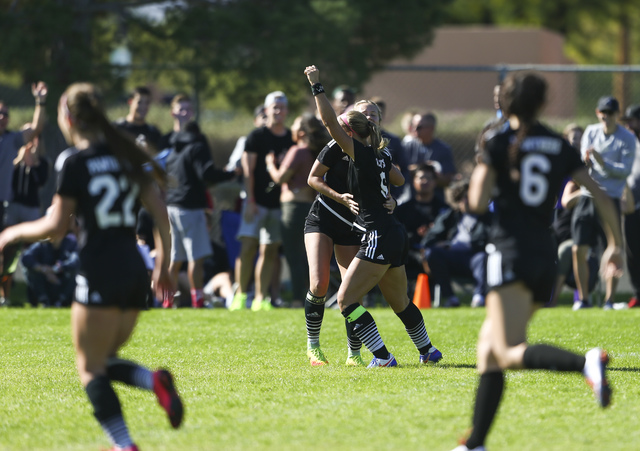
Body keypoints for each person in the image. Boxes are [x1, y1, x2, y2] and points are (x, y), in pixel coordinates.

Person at [0, 83, 183, 451]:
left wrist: (11, 233)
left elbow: (55, 228)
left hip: (99, 269)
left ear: (68, 118)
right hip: (135, 270)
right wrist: (163, 263)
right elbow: (161, 215)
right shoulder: (129, 155)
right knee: (104, 359)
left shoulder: (74, 160)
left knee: (89, 368)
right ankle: (153, 383)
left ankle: (124, 443)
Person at [453, 71, 623, 451]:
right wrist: (615, 244)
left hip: (510, 251)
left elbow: (477, 202)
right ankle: (474, 443)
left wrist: (484, 164)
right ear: (544, 104)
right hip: (544, 256)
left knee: (507, 350)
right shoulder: (560, 145)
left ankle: (587, 363)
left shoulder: (498, 142)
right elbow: (600, 195)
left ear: (507, 103)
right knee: (489, 351)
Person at [305, 64, 442, 368]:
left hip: (377, 234)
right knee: (400, 302)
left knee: (345, 301)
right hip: (394, 232)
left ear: (349, 131)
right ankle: (428, 351)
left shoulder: (362, 153)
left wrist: (316, 85)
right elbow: (398, 180)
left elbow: (328, 122)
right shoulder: (380, 154)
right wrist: (386, 198)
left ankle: (382, 357)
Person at [230, 91, 293, 311]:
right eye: (274, 107)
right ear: (266, 110)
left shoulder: (291, 138)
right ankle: (240, 296)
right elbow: (248, 172)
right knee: (248, 247)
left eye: (282, 107)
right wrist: (250, 200)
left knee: (269, 250)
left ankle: (260, 298)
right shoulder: (256, 136)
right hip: (256, 203)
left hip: (279, 205)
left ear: (286, 111)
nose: (278, 111)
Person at [163, 120, 237, 308]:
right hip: (190, 208)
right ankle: (198, 300)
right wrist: (230, 174)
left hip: (172, 208)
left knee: (176, 258)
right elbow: (206, 173)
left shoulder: (173, 152)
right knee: (196, 257)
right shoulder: (197, 148)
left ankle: (166, 299)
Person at [572, 96, 635, 310]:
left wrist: (602, 161)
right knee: (578, 249)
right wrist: (587, 161)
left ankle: (609, 300)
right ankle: (583, 299)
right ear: (597, 113)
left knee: (614, 250)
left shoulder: (627, 138)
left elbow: (624, 171)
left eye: (609, 113)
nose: (605, 117)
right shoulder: (591, 131)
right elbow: (583, 158)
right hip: (588, 197)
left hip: (610, 200)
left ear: (617, 114)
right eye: (602, 113)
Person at [266, 113, 329, 308]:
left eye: (293, 124)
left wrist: (270, 164)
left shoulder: (298, 151)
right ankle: (310, 296)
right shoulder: (318, 152)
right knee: (306, 256)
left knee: (294, 256)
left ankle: (297, 299)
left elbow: (281, 178)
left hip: (293, 208)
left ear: (301, 132)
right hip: (311, 207)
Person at [0, 83, 48, 306]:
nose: (2, 117)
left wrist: (40, 101)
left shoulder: (11, 140)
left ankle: (6, 297)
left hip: (4, 205)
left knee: (6, 254)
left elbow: (36, 127)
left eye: (5, 114)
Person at [421, 180, 490, 308]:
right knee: (433, 253)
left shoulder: (486, 217)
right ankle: (451, 298)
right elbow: (430, 238)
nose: (469, 201)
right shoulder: (451, 216)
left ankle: (479, 298)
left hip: (475, 256)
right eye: (465, 198)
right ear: (458, 200)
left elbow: (488, 239)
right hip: (453, 256)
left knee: (483, 257)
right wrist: (440, 243)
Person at [395, 163, 447, 286]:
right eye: (420, 178)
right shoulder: (403, 209)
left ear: (435, 182)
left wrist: (432, 234)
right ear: (414, 181)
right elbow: (398, 233)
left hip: (434, 252)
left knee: (434, 257)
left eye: (429, 178)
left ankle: (448, 297)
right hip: (409, 252)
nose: (424, 181)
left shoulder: (445, 210)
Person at [20, 216, 79, 307]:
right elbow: (26, 258)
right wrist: (43, 269)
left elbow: (76, 260)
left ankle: (61, 301)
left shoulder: (71, 242)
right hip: (45, 281)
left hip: (62, 280)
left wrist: (56, 269)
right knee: (29, 270)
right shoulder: (42, 243)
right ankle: (44, 300)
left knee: (75, 272)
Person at [400, 112, 457, 202]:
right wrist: (420, 169)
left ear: (431, 128)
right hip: (410, 200)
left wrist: (432, 176)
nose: (414, 129)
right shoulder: (406, 146)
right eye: (413, 126)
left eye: (419, 127)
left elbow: (449, 179)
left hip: (436, 201)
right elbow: (398, 171)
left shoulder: (443, 149)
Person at [620, 104, 640, 308]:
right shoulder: (627, 143)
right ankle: (638, 294)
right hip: (632, 205)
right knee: (633, 252)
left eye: (632, 121)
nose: (629, 126)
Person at [114, 86, 162, 154]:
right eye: (139, 102)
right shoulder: (117, 128)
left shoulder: (153, 132)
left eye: (147, 103)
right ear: (130, 102)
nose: (143, 106)